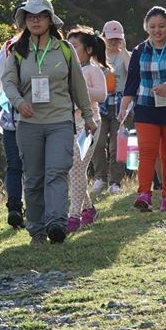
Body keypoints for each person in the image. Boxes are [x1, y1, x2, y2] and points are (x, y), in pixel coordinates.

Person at [2, 0, 96, 244]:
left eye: (41, 15)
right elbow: (8, 82)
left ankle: (56, 223)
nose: (35, 20)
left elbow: (78, 85)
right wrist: (19, 102)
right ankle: (37, 229)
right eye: (30, 16)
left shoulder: (64, 49)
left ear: (50, 20)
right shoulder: (17, 51)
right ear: (24, 20)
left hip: (60, 121)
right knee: (33, 178)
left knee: (56, 171)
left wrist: (88, 116)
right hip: (29, 124)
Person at [119, 6, 166, 212]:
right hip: (146, 107)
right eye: (152, 26)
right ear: (146, 27)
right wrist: (124, 106)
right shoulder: (140, 50)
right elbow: (132, 82)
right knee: (147, 152)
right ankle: (144, 194)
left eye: (161, 26)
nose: (157, 30)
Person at [65, 26, 108, 233]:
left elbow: (102, 95)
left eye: (74, 46)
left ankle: (73, 216)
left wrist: (79, 89)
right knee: (72, 169)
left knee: (77, 168)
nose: (70, 50)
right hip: (68, 124)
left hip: (90, 124)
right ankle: (88, 209)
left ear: (88, 50)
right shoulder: (64, 69)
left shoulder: (93, 70)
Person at [0, 14, 25, 229]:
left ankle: (16, 206)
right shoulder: (9, 46)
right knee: (25, 165)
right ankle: (18, 207)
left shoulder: (8, 45)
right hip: (17, 114)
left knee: (15, 165)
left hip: (16, 114)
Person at [90, 20, 132, 195]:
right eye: (110, 38)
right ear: (104, 37)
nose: (113, 42)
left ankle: (116, 181)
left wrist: (123, 52)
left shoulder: (126, 55)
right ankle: (100, 177)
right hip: (101, 103)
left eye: (117, 39)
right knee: (97, 142)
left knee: (119, 145)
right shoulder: (96, 57)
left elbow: (132, 72)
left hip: (122, 104)